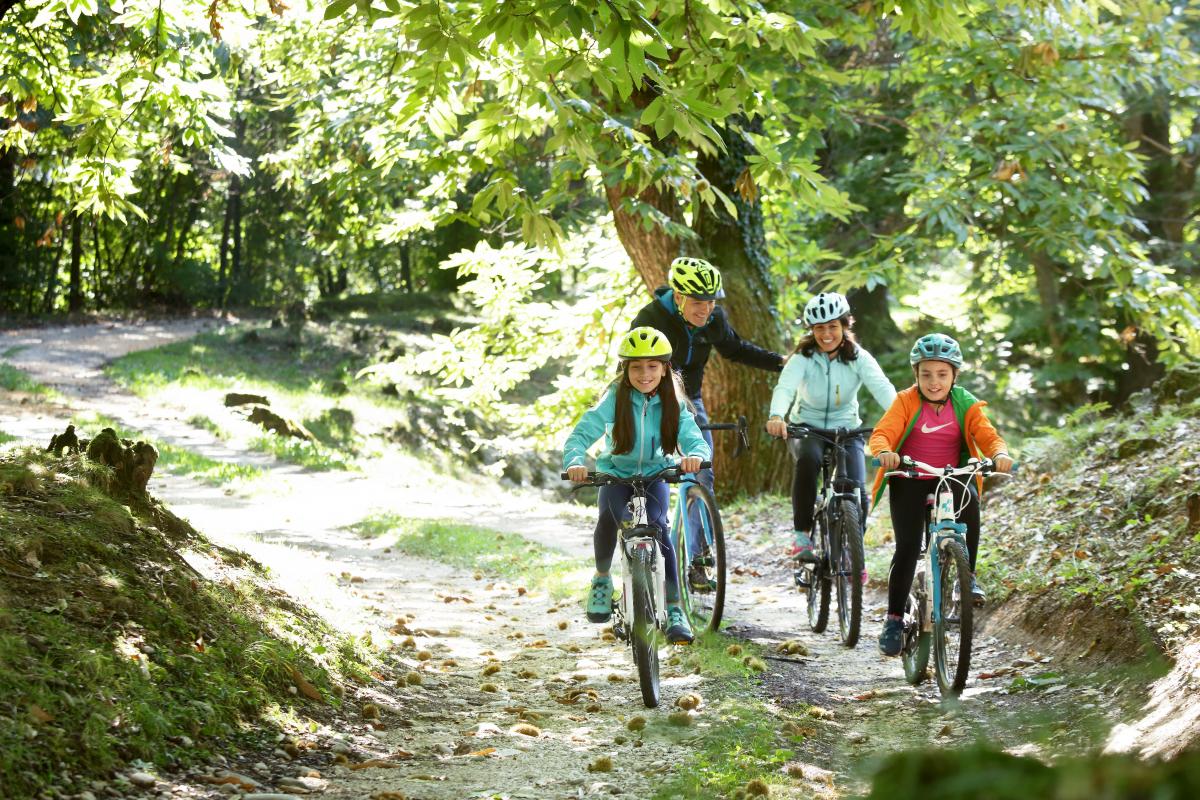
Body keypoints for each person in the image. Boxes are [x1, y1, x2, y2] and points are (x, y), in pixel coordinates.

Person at [631, 256, 785, 588]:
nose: (707, 309)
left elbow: (735, 349)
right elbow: (633, 371)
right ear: (679, 296)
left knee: (700, 471)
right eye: (699, 302)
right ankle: (639, 543)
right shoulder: (650, 319)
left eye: (712, 301)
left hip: (691, 401)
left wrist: (780, 363)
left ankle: (697, 561)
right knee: (644, 469)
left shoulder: (712, 319)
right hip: (651, 397)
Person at [562, 326, 711, 645]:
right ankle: (602, 580)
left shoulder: (673, 401)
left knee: (660, 527)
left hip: (656, 475)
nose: (645, 374)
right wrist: (575, 461)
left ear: (664, 368)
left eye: (652, 366)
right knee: (608, 519)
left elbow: (692, 437)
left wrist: (695, 455)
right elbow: (582, 434)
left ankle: (673, 608)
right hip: (616, 475)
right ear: (625, 369)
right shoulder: (615, 398)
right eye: (637, 367)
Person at [868, 333, 1014, 657]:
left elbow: (988, 435)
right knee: (907, 547)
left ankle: (968, 576)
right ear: (916, 375)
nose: (934, 382)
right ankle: (893, 618)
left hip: (949, 477)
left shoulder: (964, 402)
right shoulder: (906, 401)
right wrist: (885, 452)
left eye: (942, 374)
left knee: (971, 502)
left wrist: (999, 453)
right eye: (926, 374)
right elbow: (883, 433)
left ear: (954, 375)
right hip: (909, 476)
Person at [765, 292, 897, 573]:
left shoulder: (858, 357)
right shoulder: (803, 357)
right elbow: (785, 388)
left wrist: (903, 421)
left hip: (846, 428)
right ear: (812, 331)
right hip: (806, 428)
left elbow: (883, 388)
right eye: (820, 328)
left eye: (833, 327)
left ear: (845, 325)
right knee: (809, 461)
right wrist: (777, 415)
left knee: (857, 489)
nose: (826, 334)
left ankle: (853, 551)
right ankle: (802, 536)